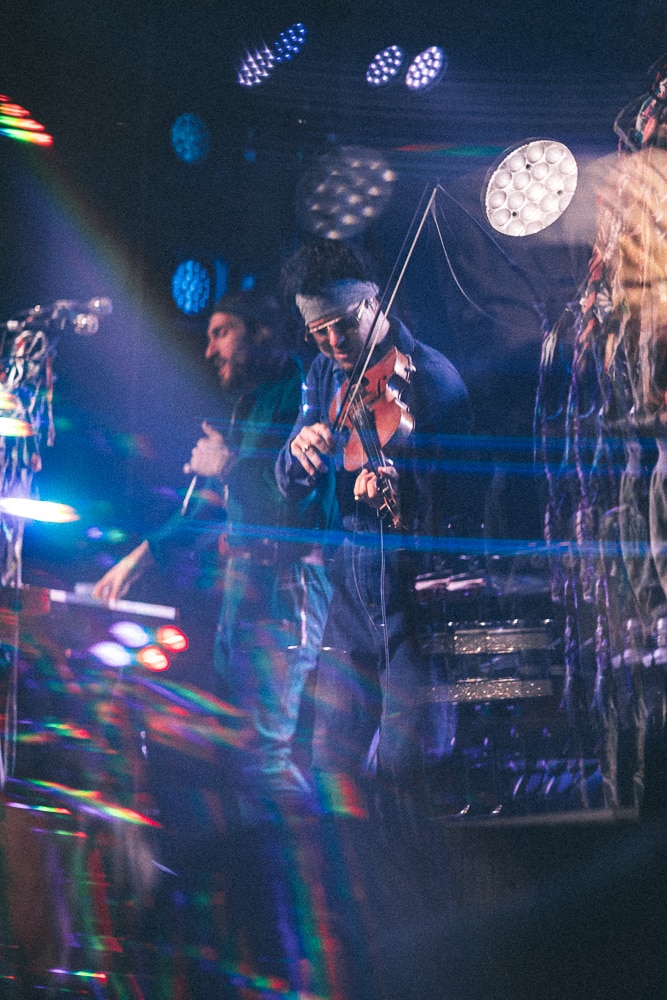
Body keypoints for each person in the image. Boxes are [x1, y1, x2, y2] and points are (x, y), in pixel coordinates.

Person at [93, 290, 332, 821]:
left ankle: (324, 875)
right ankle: (264, 881)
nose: (209, 350)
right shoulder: (249, 403)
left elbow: (293, 503)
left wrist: (226, 466)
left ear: (262, 332)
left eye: (221, 332)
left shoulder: (304, 393)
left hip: (285, 588)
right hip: (246, 588)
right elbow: (210, 509)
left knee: (268, 758)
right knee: (242, 751)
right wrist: (138, 559)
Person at [275, 239, 472, 816]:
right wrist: (297, 451)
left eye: (342, 326)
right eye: (318, 332)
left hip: (416, 605)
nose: (334, 345)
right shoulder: (320, 374)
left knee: (409, 771)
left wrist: (405, 493)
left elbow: (469, 505)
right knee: (330, 764)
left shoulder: (433, 379)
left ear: (373, 303)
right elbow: (286, 484)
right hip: (349, 605)